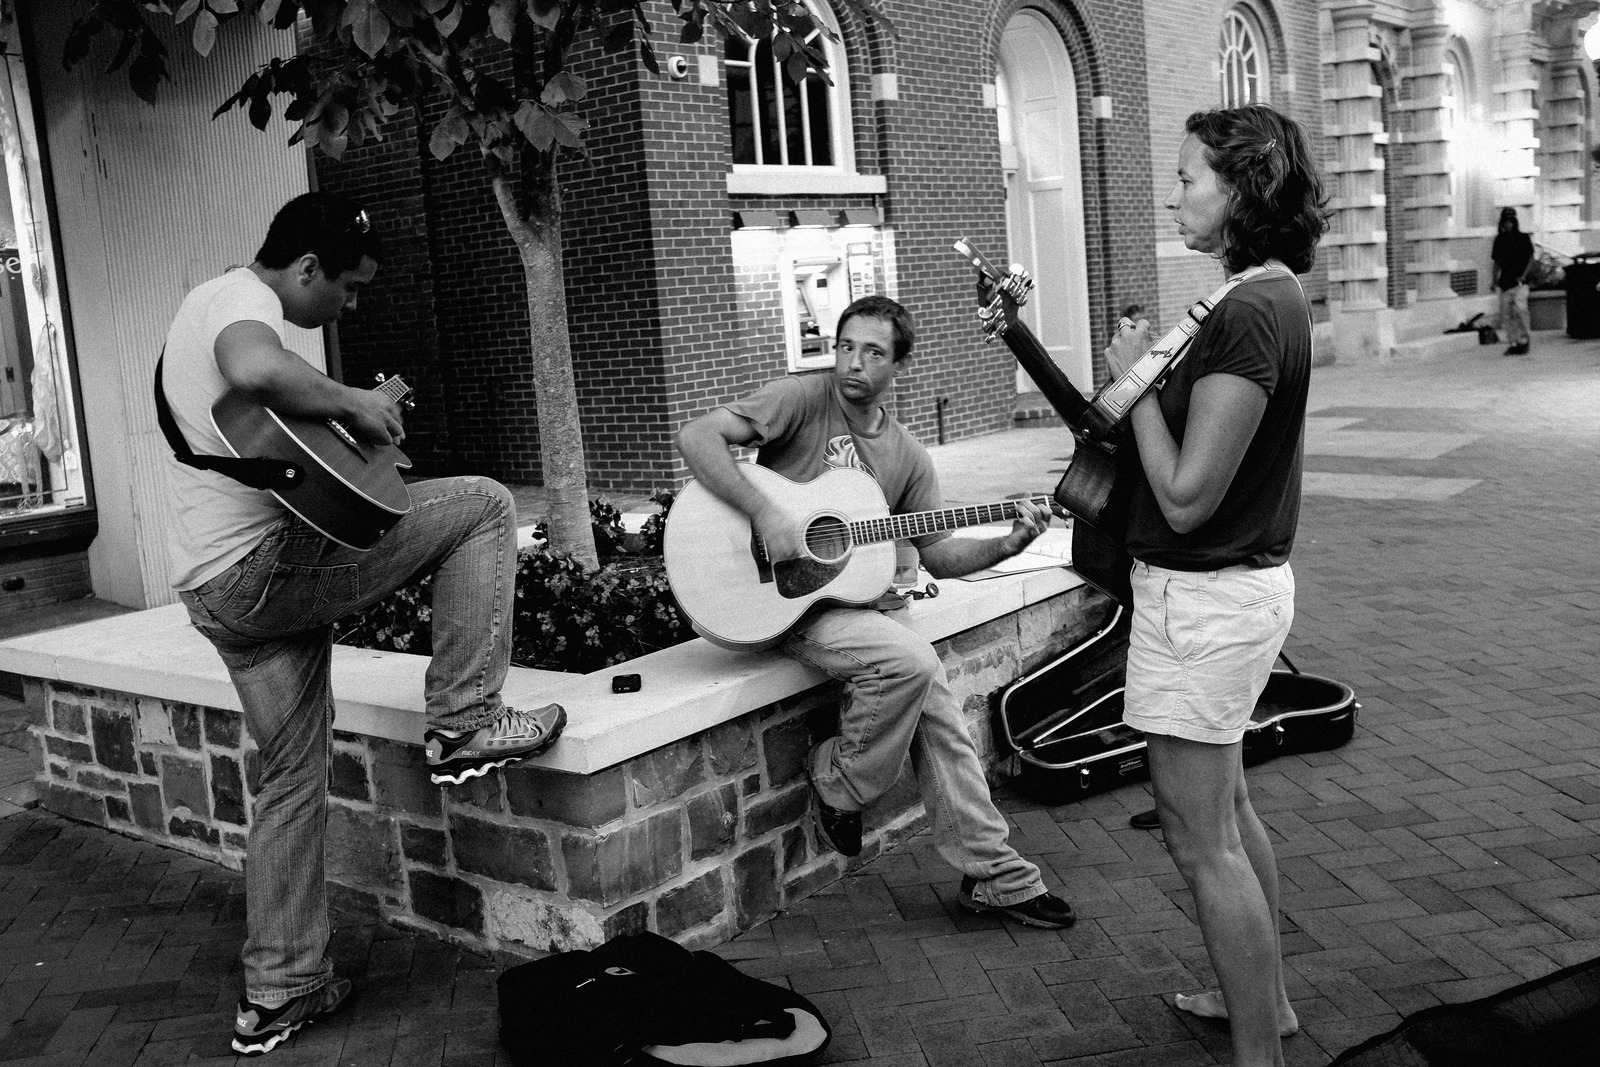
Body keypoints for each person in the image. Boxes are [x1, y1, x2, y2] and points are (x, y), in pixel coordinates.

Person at [159, 192, 566, 1054]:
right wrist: (351, 401)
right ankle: (465, 720)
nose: (350, 306)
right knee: (486, 506)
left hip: (214, 588)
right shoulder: (244, 303)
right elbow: (255, 369)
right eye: (346, 289)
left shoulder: (201, 302)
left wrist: (356, 426)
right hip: (261, 575)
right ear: (305, 269)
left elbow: (293, 459)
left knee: (293, 774)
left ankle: (282, 987)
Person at [675, 294, 1076, 930]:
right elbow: (698, 437)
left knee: (944, 722)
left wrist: (1008, 541)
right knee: (913, 664)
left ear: (898, 367)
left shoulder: (908, 456)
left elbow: (938, 554)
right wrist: (766, 512)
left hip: (858, 604)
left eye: (873, 352)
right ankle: (837, 782)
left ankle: (997, 877)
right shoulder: (803, 400)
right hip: (783, 602)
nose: (853, 363)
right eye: (845, 346)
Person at [1104, 104, 1327, 1067]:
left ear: (1241, 191)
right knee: (1230, 813)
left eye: (1191, 176)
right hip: (1226, 597)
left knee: (1203, 844)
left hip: (1203, 599)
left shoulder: (1246, 311)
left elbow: (1189, 497)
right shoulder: (1267, 294)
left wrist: (1138, 384)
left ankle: (1257, 1055)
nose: (1175, 192)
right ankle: (1264, 1004)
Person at [1491, 207, 1534, 355]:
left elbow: (1530, 259)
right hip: (1505, 282)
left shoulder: (1523, 238)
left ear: (1515, 222)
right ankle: (1514, 342)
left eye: (1510, 221)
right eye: (1505, 222)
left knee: (1520, 308)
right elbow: (1496, 262)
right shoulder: (1499, 241)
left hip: (1520, 282)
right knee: (1507, 313)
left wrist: (1524, 275)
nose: (1508, 225)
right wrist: (1494, 280)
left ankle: (1524, 339)